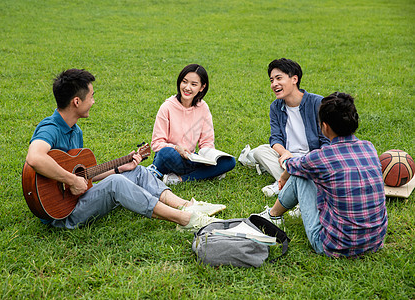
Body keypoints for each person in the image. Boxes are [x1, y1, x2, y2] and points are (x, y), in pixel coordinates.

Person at [25, 68, 225, 231]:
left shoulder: (74, 130)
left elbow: (85, 176)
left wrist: (120, 167)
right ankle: (185, 220)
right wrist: (71, 180)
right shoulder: (50, 127)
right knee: (116, 184)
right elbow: (35, 158)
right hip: (62, 214)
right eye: (91, 97)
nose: (93, 101)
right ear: (76, 102)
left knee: (137, 171)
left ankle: (187, 205)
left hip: (75, 198)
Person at [257, 92, 388, 257]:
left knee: (299, 174)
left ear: (325, 126)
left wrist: (283, 176)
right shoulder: (369, 147)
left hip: (332, 246)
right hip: (375, 241)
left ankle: (273, 215)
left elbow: (291, 166)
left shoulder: (320, 157)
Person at [251, 58, 330, 199]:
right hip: (287, 158)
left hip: (311, 157)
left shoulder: (317, 102)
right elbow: (275, 138)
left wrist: (313, 158)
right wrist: (284, 152)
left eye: (278, 78)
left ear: (294, 79)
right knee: (260, 151)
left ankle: (284, 184)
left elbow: (326, 140)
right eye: (271, 80)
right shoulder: (275, 107)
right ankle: (295, 182)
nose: (274, 84)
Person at [149, 64, 236, 185]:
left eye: (193, 84)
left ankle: (179, 179)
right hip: (171, 156)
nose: (187, 87)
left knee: (229, 161)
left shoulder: (203, 108)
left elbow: (207, 142)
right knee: (166, 153)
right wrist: (176, 148)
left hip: (190, 158)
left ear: (202, 87)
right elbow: (156, 143)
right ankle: (206, 173)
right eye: (184, 82)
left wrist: (208, 157)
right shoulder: (167, 107)